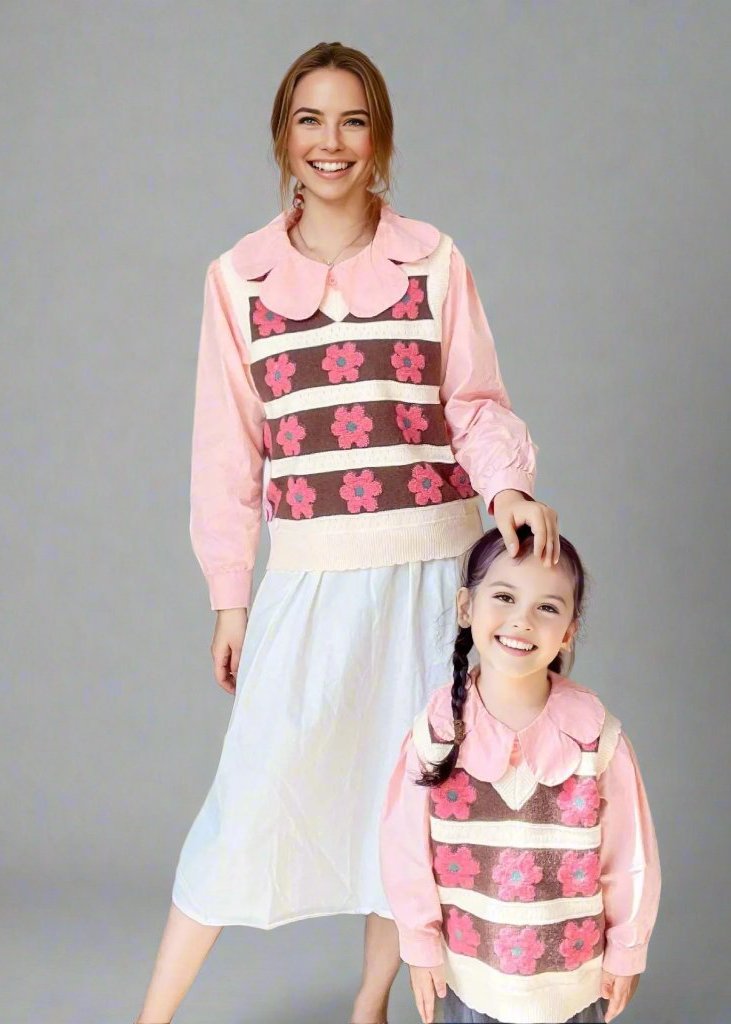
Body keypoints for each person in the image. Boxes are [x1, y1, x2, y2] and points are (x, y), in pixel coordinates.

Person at [136, 41, 560, 1024]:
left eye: (353, 120)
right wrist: (230, 596)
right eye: (311, 120)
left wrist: (504, 492)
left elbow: (476, 400)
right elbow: (225, 455)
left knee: (408, 792)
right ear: (284, 138)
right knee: (251, 793)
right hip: (314, 579)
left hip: (431, 574)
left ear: (380, 141)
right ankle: (150, 1015)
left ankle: (370, 1003)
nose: (332, 142)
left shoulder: (433, 260)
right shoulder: (236, 280)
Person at [379, 525, 661, 1024]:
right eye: (504, 596)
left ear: (570, 629)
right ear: (467, 607)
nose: (522, 621)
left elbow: (630, 857)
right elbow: (405, 851)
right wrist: (419, 944)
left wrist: (626, 950)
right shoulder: (437, 730)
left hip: (571, 981)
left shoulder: (598, 739)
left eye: (547, 608)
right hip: (468, 975)